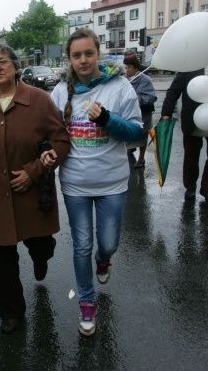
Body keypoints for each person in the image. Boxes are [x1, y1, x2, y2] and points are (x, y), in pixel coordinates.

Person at [0, 45, 70, 335]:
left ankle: (42, 255)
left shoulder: (38, 100)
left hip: (32, 193)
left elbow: (61, 141)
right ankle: (10, 313)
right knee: (1, 259)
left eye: (2, 61)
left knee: (39, 244)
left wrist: (34, 171)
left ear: (14, 66)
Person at [50, 28, 143, 336]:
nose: (83, 60)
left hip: (112, 182)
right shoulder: (61, 91)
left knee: (108, 244)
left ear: (98, 54)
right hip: (75, 183)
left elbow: (136, 133)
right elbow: (48, 133)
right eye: (76, 55)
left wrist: (106, 120)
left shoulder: (120, 87)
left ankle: (104, 261)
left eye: (88, 53)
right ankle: (87, 305)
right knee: (81, 246)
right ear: (69, 59)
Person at [160, 54, 208, 204]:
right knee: (191, 157)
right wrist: (166, 114)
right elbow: (174, 90)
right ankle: (190, 187)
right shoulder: (192, 65)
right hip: (193, 120)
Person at [123, 54, 157, 168]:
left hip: (143, 114)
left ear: (136, 67)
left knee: (142, 137)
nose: (127, 70)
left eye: (130, 67)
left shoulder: (144, 79)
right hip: (127, 113)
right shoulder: (123, 79)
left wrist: (134, 98)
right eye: (126, 67)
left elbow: (151, 97)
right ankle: (130, 149)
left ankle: (141, 159)